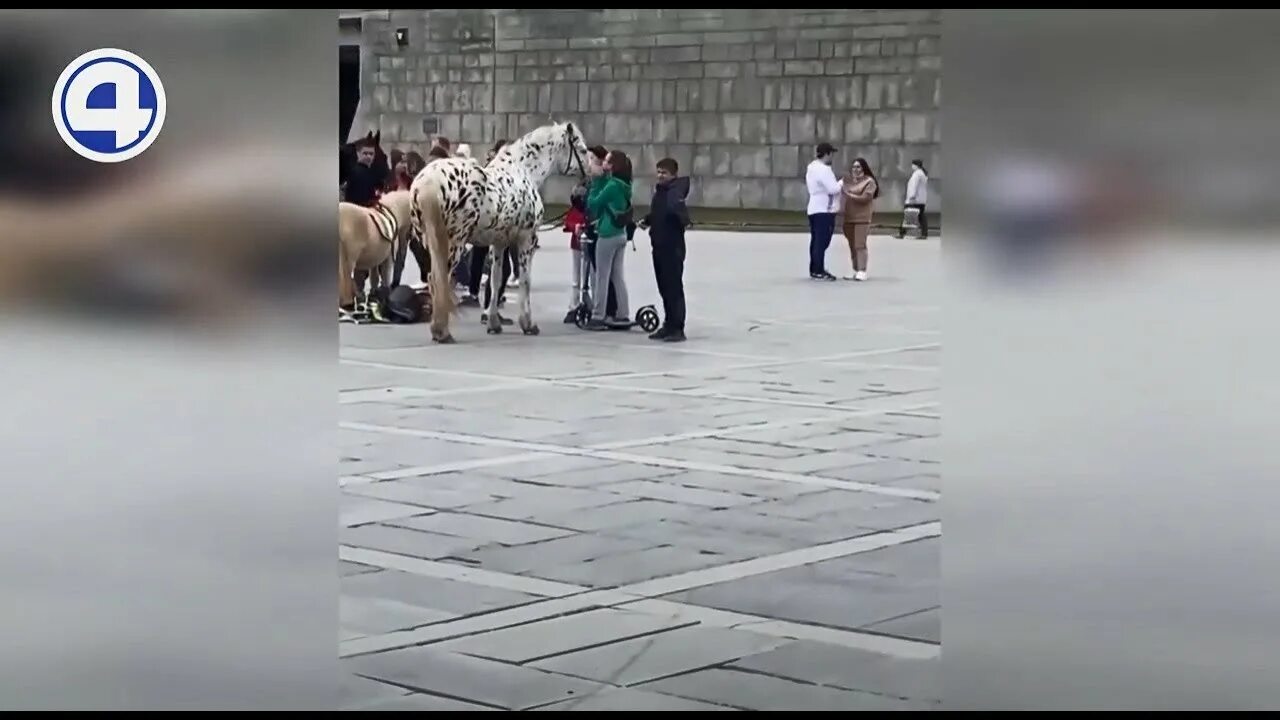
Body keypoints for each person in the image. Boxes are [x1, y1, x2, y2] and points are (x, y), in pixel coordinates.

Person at [640, 157, 689, 342]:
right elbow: (659, 213)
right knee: (664, 288)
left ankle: (677, 327)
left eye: (664, 173)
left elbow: (680, 215)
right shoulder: (661, 191)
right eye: (659, 171)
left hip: (672, 248)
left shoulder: (674, 193)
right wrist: (648, 220)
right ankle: (668, 324)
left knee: (674, 288)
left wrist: (682, 218)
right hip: (658, 246)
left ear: (673, 175)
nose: (660, 175)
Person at [584, 150, 634, 331]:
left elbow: (594, 203)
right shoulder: (624, 184)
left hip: (607, 234)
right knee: (618, 276)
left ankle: (598, 315)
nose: (602, 163)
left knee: (602, 277)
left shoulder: (611, 185)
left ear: (613, 166)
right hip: (620, 233)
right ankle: (623, 313)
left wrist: (596, 182)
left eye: (606, 161)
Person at [840, 156, 880, 281]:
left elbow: (866, 198)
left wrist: (849, 195)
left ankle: (862, 270)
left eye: (858, 167)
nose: (855, 169)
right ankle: (856, 269)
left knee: (860, 245)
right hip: (848, 218)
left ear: (863, 168)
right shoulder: (849, 181)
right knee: (852, 245)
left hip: (862, 218)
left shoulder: (869, 182)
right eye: (853, 167)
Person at [805, 142, 841, 281]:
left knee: (815, 241)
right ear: (827, 154)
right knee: (822, 241)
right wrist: (842, 182)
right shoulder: (824, 169)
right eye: (831, 153)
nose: (832, 157)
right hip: (824, 209)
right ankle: (818, 269)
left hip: (814, 208)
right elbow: (833, 189)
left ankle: (815, 268)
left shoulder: (812, 168)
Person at [899, 159, 929, 239]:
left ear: (916, 165)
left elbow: (914, 186)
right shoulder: (922, 174)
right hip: (921, 200)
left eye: (913, 165)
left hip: (914, 199)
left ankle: (902, 233)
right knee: (921, 216)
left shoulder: (917, 174)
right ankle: (924, 234)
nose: (912, 166)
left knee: (907, 215)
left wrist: (912, 196)